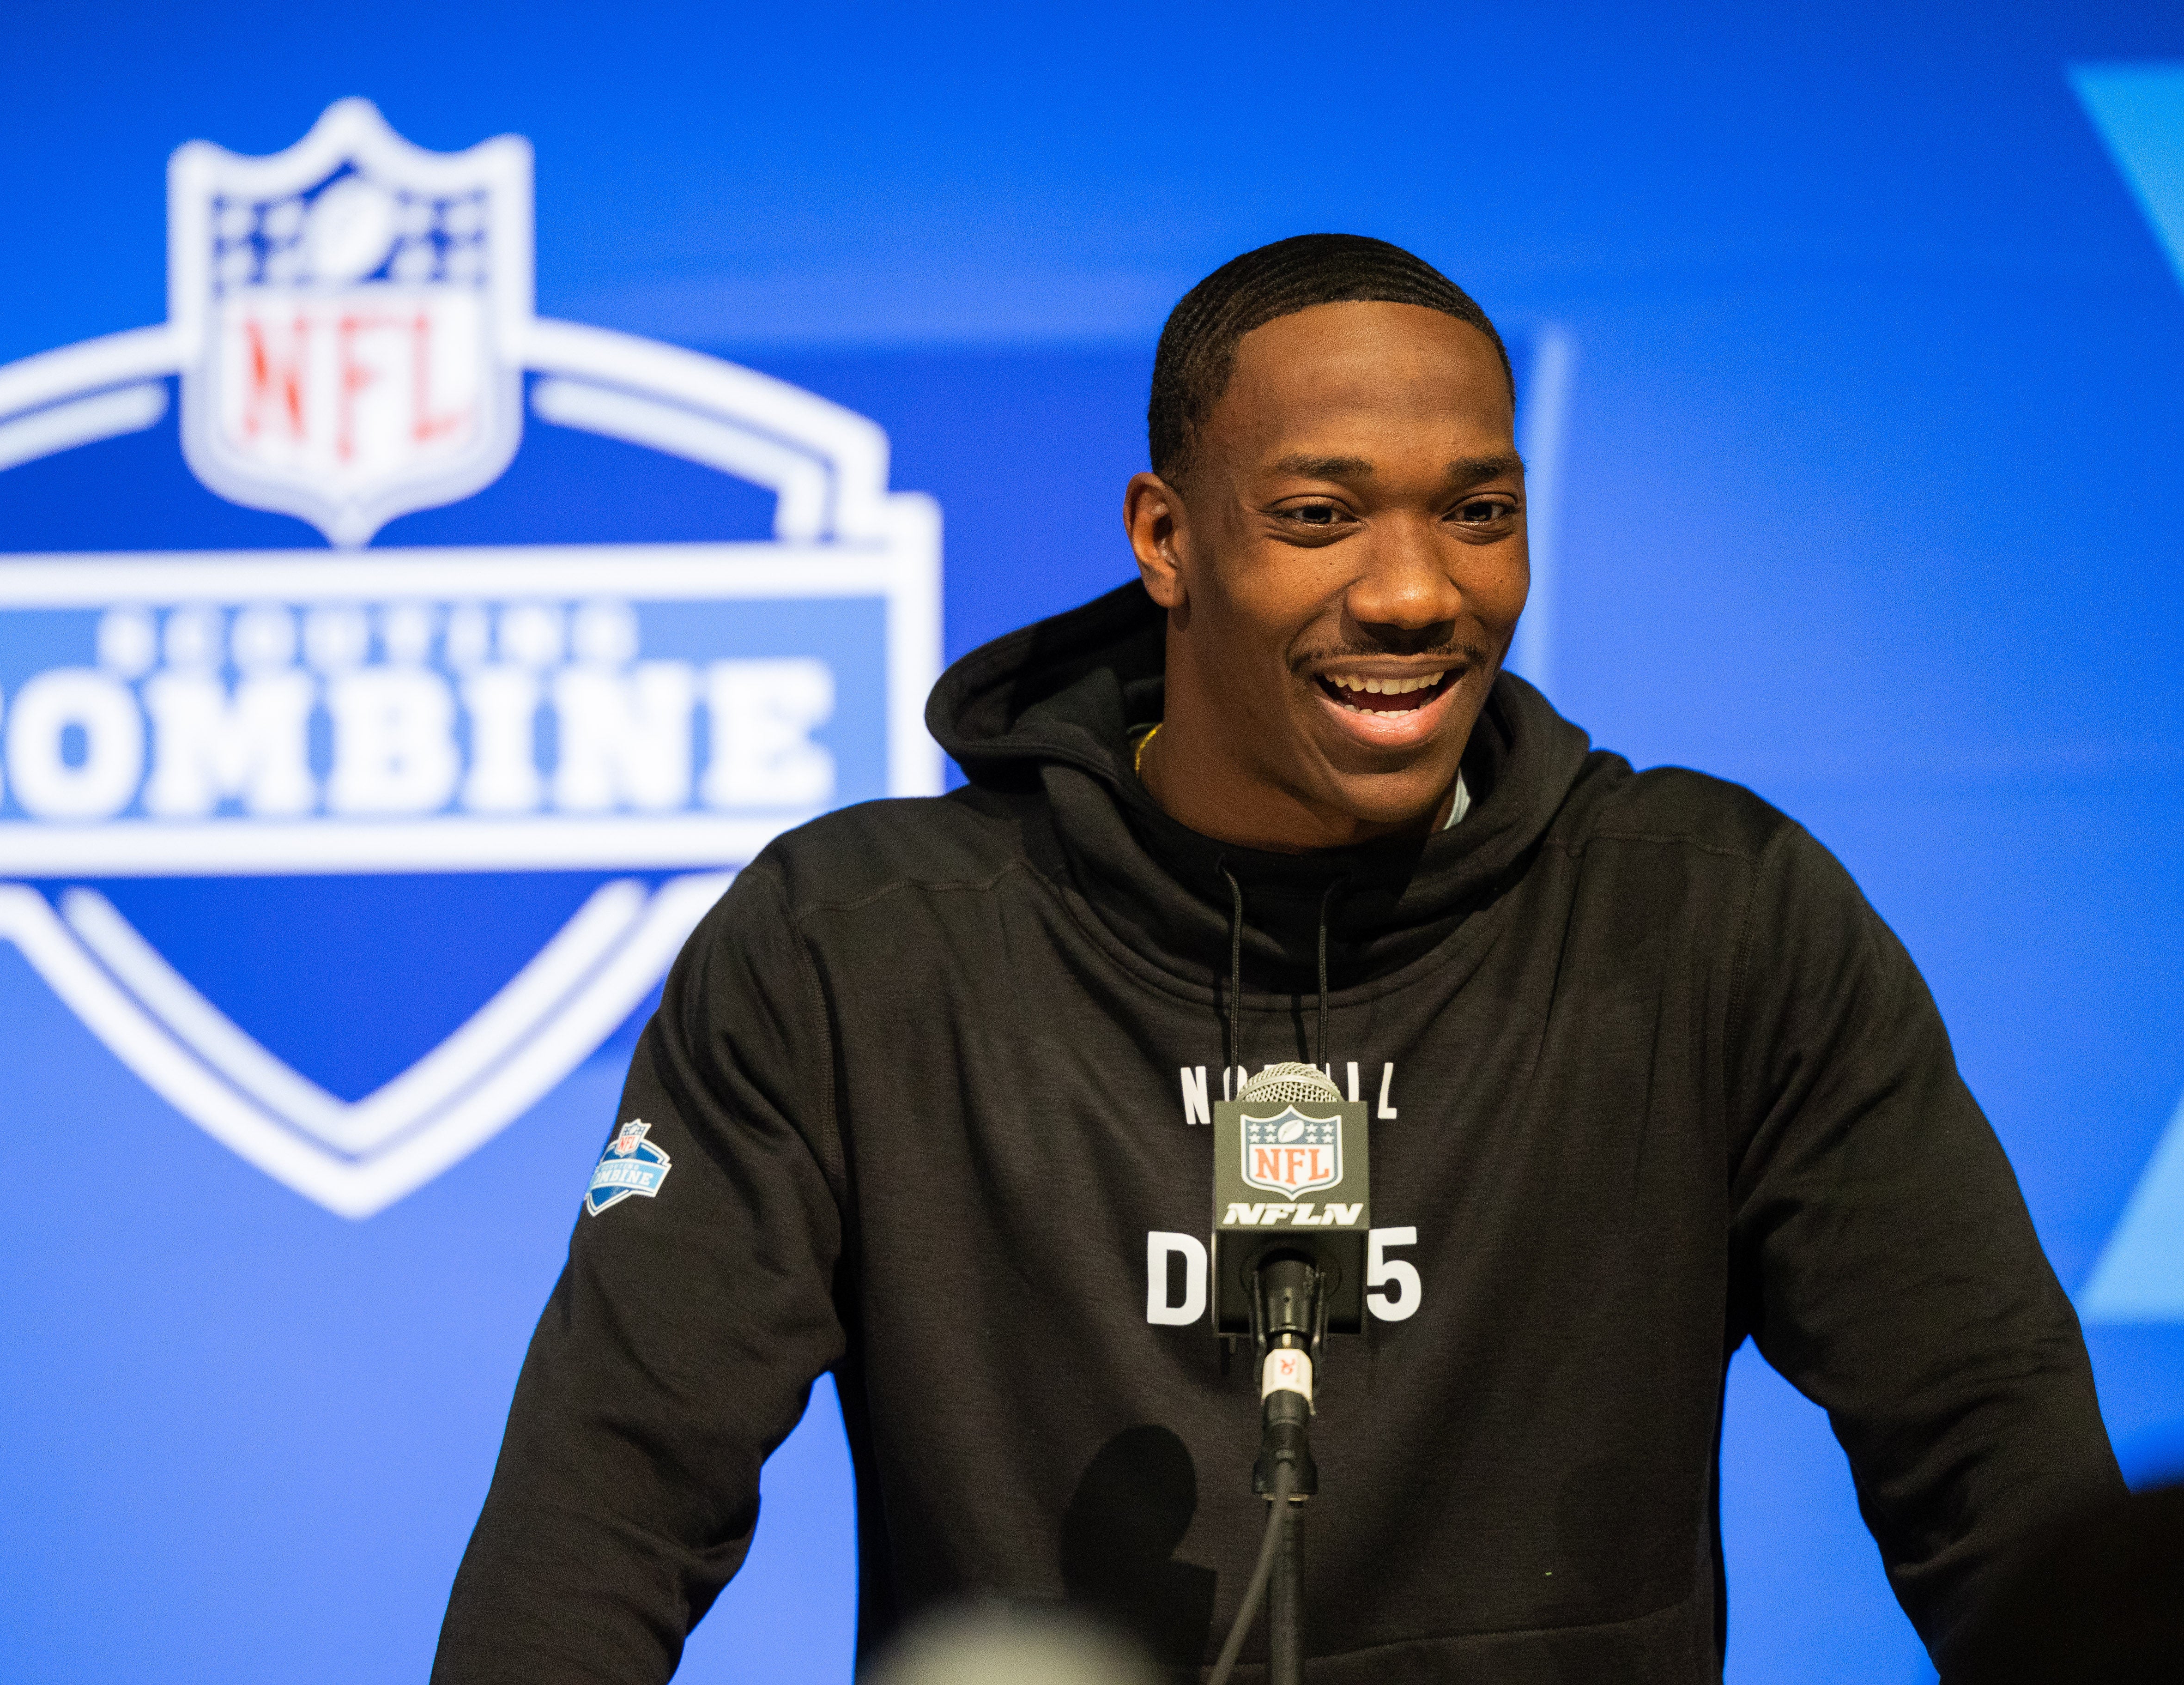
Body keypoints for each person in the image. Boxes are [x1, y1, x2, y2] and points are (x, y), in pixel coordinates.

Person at [430, 235, 2121, 1682]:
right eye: (1320, 515)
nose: (1414, 592)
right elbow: (610, 1500)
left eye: (1479, 511)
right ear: (1166, 539)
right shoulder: (852, 950)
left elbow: (1992, 1451)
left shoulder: (1715, 921)